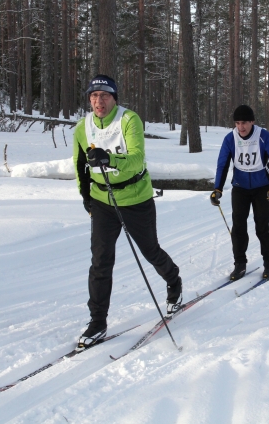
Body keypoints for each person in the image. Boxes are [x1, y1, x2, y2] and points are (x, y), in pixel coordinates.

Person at [73, 74, 182, 349]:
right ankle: (97, 321)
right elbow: (79, 167)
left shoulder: (128, 120)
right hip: (102, 200)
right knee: (100, 261)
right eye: (94, 96)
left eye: (105, 96)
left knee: (150, 251)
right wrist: (86, 197)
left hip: (135, 198)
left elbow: (136, 159)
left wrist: (110, 158)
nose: (99, 101)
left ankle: (174, 282)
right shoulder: (82, 128)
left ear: (114, 98)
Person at [211, 105, 269, 280]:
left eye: (244, 123)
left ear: (252, 121)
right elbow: (222, 164)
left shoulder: (263, 136)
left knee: (262, 226)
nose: (240, 127)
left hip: (262, 188)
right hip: (240, 188)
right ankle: (240, 263)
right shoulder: (230, 138)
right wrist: (217, 189)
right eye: (237, 123)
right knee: (238, 227)